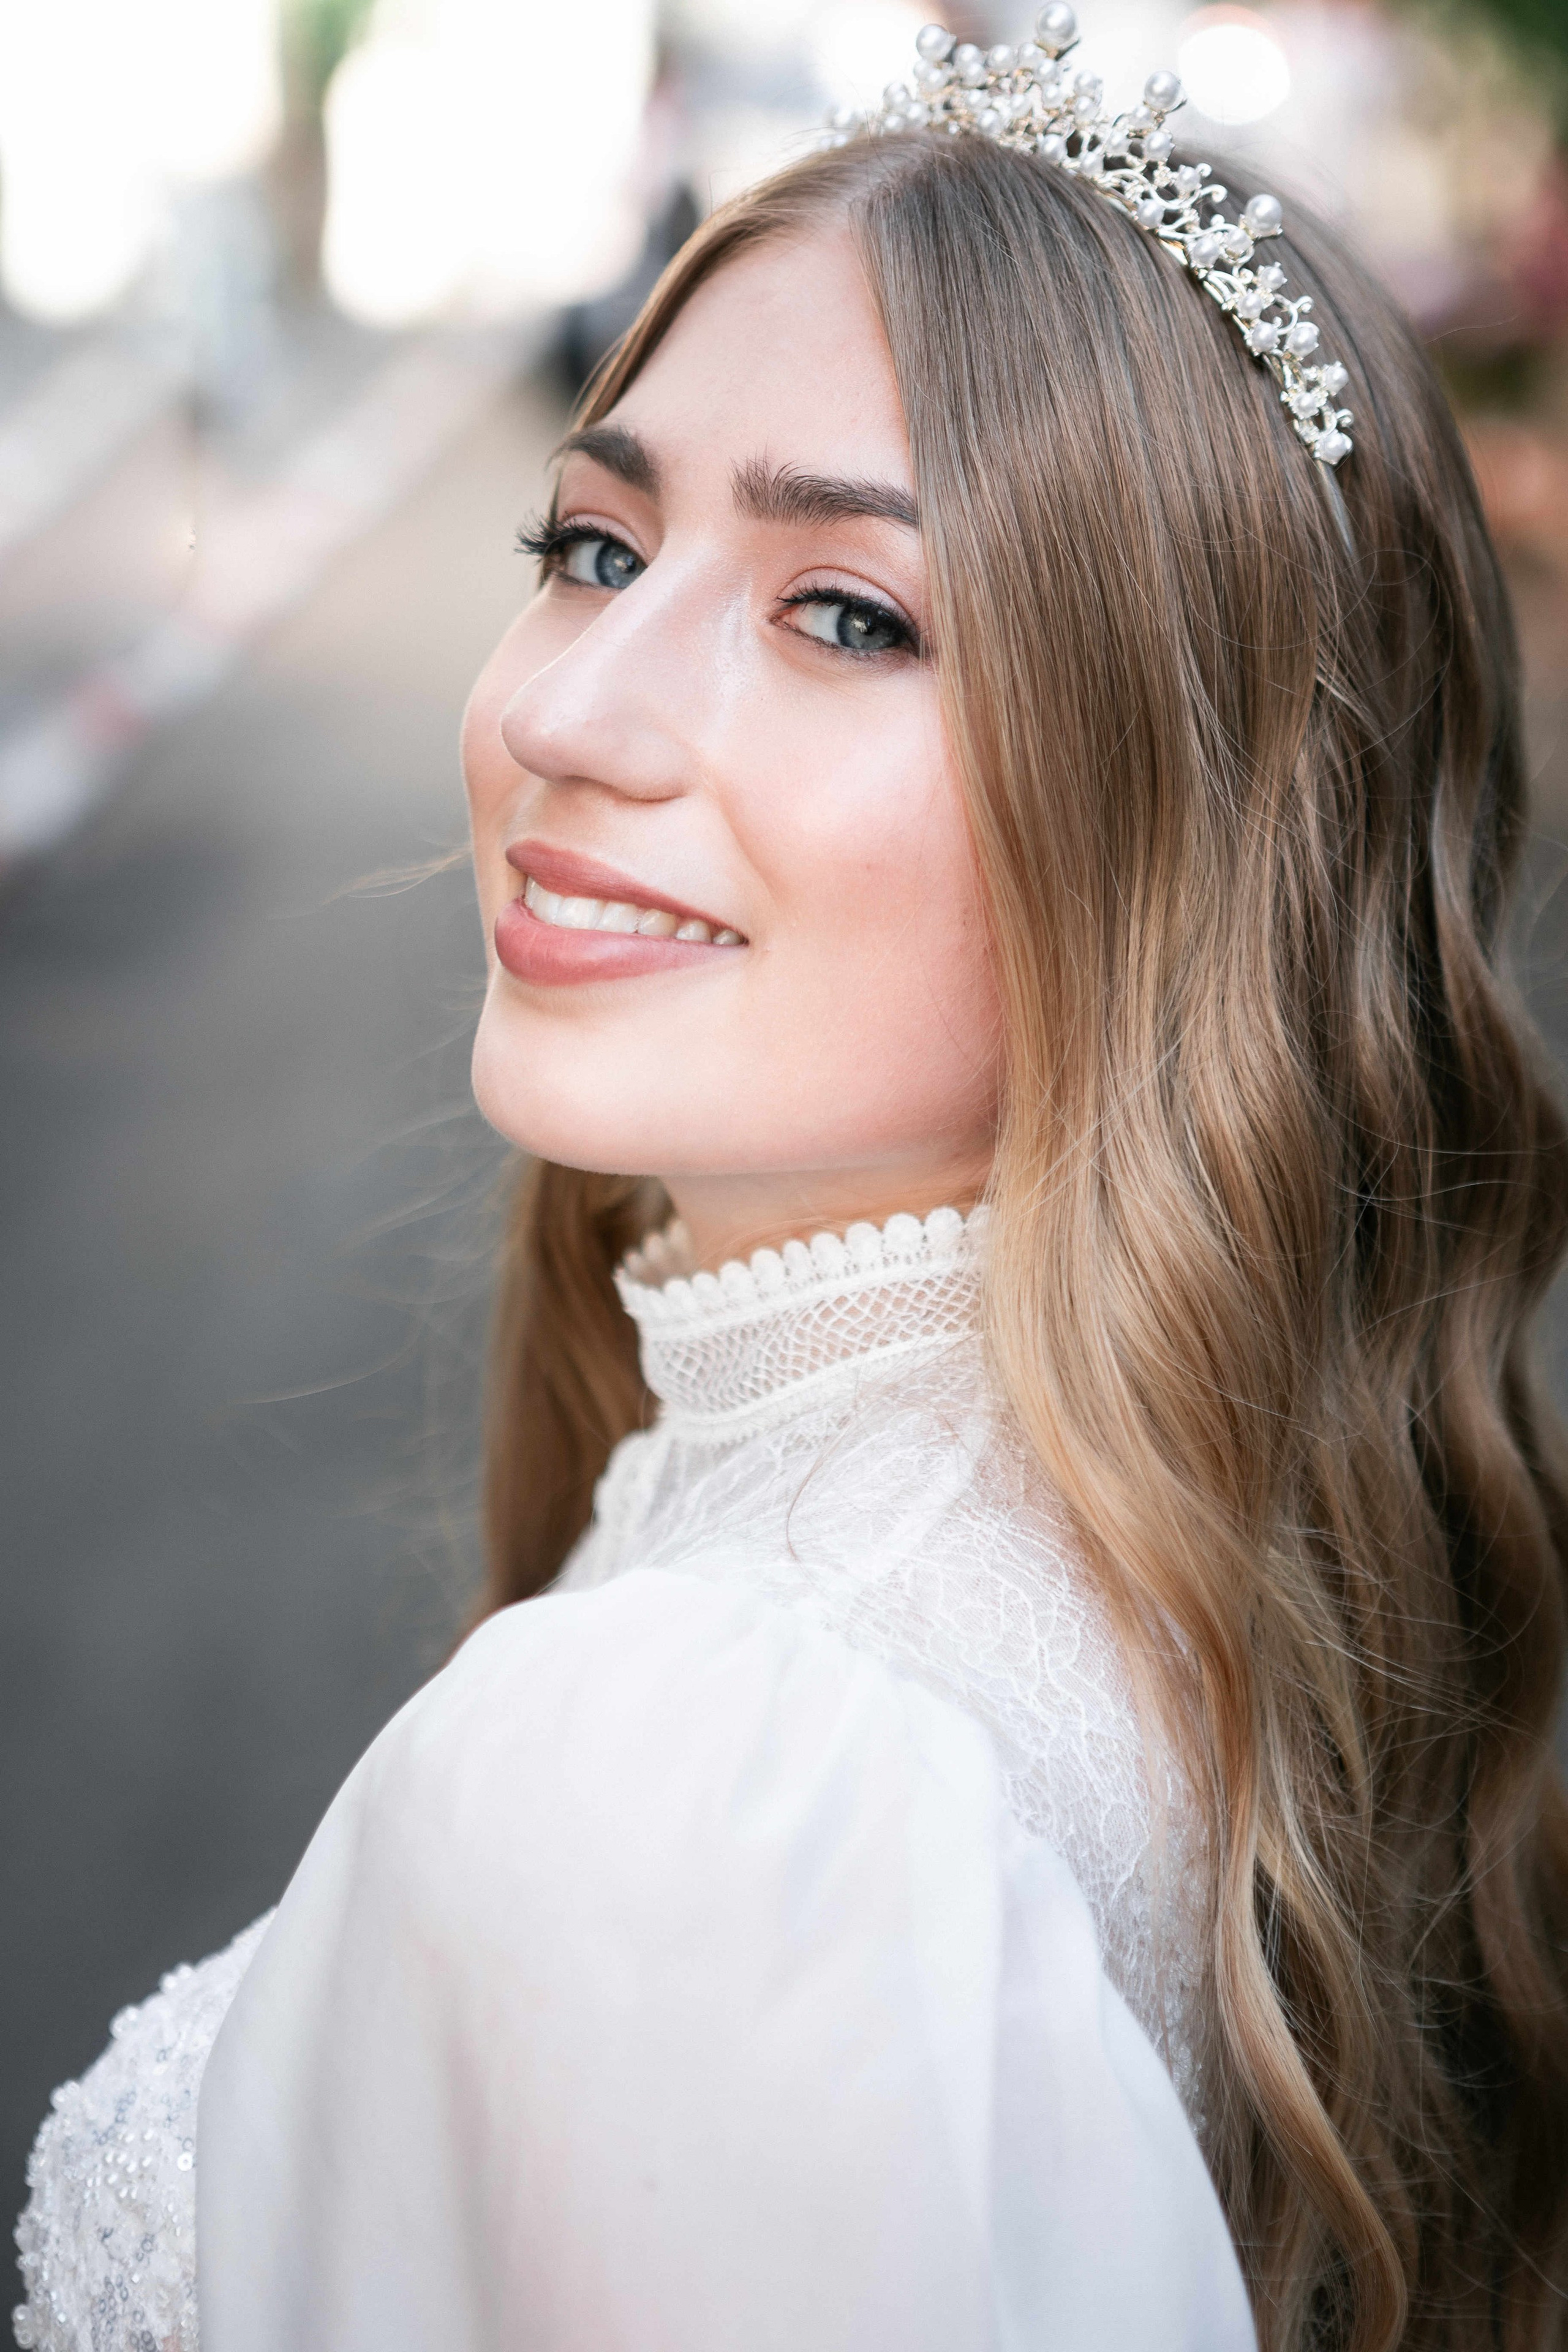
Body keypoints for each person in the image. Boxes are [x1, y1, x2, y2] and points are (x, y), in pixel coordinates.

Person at [15, 16, 1568, 2351]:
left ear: (1201, 822)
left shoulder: (707, 1781)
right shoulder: (1166, 1568)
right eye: (593, 546)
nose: (561, 714)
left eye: (848, 614)